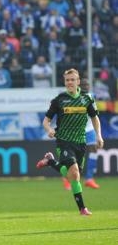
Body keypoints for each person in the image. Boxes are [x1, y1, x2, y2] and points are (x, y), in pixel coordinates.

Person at [36, 69, 104, 216]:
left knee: (73, 176)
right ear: (65, 82)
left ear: (78, 81)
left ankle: (50, 162)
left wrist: (99, 135)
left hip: (81, 142)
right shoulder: (59, 100)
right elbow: (46, 120)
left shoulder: (87, 99)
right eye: (67, 80)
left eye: (73, 80)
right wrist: (48, 129)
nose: (70, 83)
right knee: (73, 171)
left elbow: (94, 118)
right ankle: (83, 209)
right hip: (63, 141)